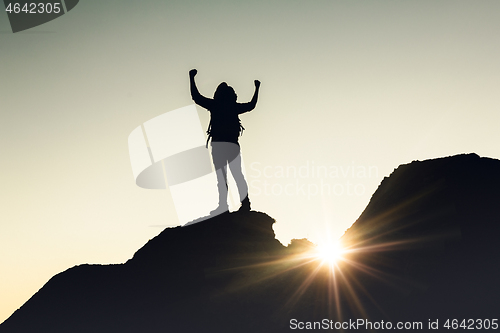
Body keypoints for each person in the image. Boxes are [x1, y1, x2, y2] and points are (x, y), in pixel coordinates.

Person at [189, 69, 260, 214]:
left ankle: (223, 206)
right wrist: (257, 88)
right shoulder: (234, 107)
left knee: (222, 177)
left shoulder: (215, 105)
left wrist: (191, 78)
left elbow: (196, 97)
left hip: (219, 146)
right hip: (232, 145)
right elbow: (251, 105)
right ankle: (244, 204)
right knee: (236, 175)